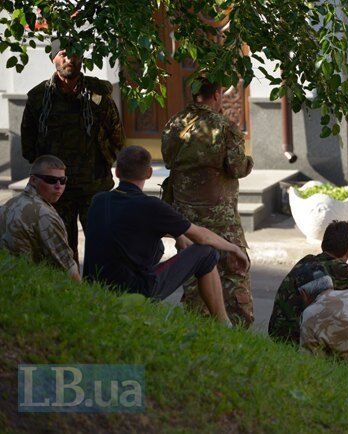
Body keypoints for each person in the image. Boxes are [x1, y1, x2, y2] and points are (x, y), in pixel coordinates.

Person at [83, 146, 249, 325]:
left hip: (96, 287)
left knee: (158, 246)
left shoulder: (98, 200)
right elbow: (202, 237)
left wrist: (178, 234)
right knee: (207, 253)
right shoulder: (150, 206)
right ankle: (224, 324)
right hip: (133, 291)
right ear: (149, 173)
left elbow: (129, 224)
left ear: (116, 172)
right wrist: (233, 247)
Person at [21, 38, 124, 264]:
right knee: (60, 253)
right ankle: (69, 295)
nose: (69, 60)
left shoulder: (98, 95)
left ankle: (101, 296)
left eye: (75, 54)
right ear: (53, 58)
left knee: (103, 249)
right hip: (56, 190)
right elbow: (28, 146)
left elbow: (117, 137)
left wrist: (102, 163)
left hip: (94, 187)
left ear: (82, 58)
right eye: (63, 54)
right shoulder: (39, 98)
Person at [161, 78, 254, 327]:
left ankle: (197, 328)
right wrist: (249, 163)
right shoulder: (224, 127)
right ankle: (237, 331)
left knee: (193, 275)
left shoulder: (174, 124)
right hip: (220, 217)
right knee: (234, 271)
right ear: (215, 94)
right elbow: (236, 167)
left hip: (185, 216)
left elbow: (168, 161)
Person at [268, 220, 348, 344]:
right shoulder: (339, 269)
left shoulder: (306, 261)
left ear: (324, 244)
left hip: (277, 334)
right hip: (297, 339)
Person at [0, 155, 79, 281]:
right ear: (33, 180)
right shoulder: (45, 215)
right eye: (51, 180)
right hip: (30, 286)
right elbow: (69, 269)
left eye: (63, 180)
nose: (58, 186)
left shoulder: (8, 204)